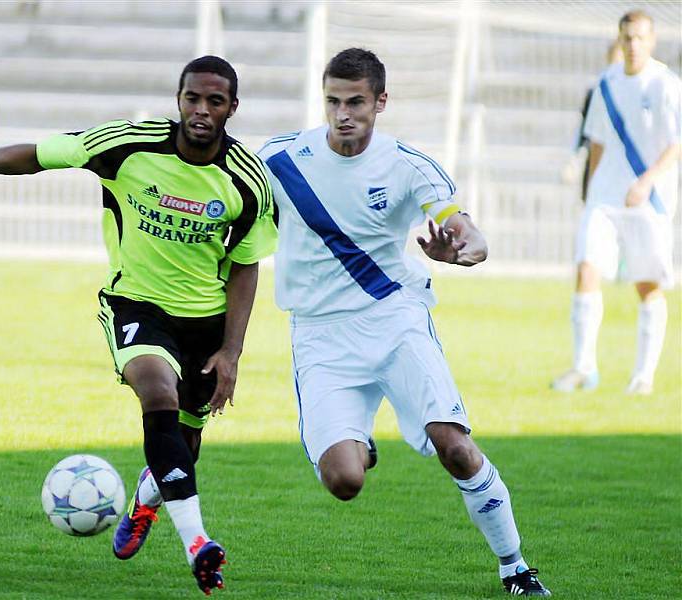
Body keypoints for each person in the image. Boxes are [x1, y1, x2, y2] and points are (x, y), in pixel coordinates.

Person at [0, 55, 277, 595]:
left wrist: (231, 352)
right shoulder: (129, 144)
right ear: (178, 100)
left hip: (206, 320)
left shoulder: (248, 183)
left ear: (233, 108)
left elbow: (246, 266)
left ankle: (145, 502)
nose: (201, 110)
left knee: (181, 449)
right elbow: (43, 156)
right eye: (192, 99)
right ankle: (199, 543)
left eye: (215, 101)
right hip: (136, 305)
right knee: (156, 392)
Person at [258, 48, 551, 596]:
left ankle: (515, 566)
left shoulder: (408, 166)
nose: (343, 114)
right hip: (320, 336)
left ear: (380, 102)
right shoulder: (281, 158)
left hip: (394, 320)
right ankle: (361, 444)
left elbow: (465, 229)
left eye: (356, 102)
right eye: (333, 101)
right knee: (344, 481)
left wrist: (464, 252)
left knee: (457, 447)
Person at [551, 10, 681, 395]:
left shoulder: (665, 85)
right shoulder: (606, 82)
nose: (633, 45)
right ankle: (583, 368)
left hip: (648, 200)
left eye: (640, 38)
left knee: (647, 285)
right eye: (627, 38)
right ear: (619, 40)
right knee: (587, 270)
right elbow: (598, 142)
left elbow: (677, 144)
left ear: (652, 41)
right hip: (605, 197)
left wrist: (647, 181)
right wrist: (590, 195)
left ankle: (643, 376)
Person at [561, 41, 624, 196]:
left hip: (624, 165)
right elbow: (584, 129)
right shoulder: (597, 90)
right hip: (598, 158)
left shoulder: (640, 92)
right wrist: (574, 159)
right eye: (613, 61)